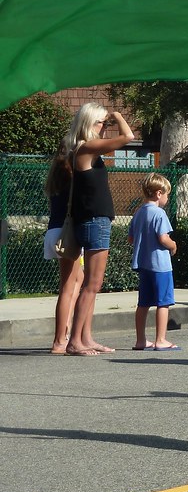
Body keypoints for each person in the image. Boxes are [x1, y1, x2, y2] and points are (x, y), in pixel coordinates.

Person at [64, 103, 135, 356]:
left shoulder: (87, 150)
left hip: (97, 220)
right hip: (94, 220)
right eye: (101, 122)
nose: (105, 127)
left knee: (93, 285)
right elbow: (128, 137)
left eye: (106, 123)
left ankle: (86, 337)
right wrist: (117, 115)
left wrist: (109, 119)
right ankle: (75, 341)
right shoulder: (86, 147)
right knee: (92, 284)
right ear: (89, 123)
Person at [128, 173, 179, 351]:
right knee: (163, 302)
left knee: (143, 303)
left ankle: (140, 340)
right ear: (159, 193)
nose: (167, 198)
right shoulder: (159, 214)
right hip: (161, 265)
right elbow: (163, 238)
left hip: (143, 264)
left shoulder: (139, 213)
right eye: (166, 194)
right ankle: (161, 339)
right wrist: (173, 246)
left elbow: (131, 238)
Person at [43, 152, 85, 355]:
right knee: (68, 287)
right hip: (66, 234)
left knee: (77, 280)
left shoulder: (54, 184)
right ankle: (59, 340)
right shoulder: (72, 183)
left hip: (54, 231)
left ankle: (65, 331)